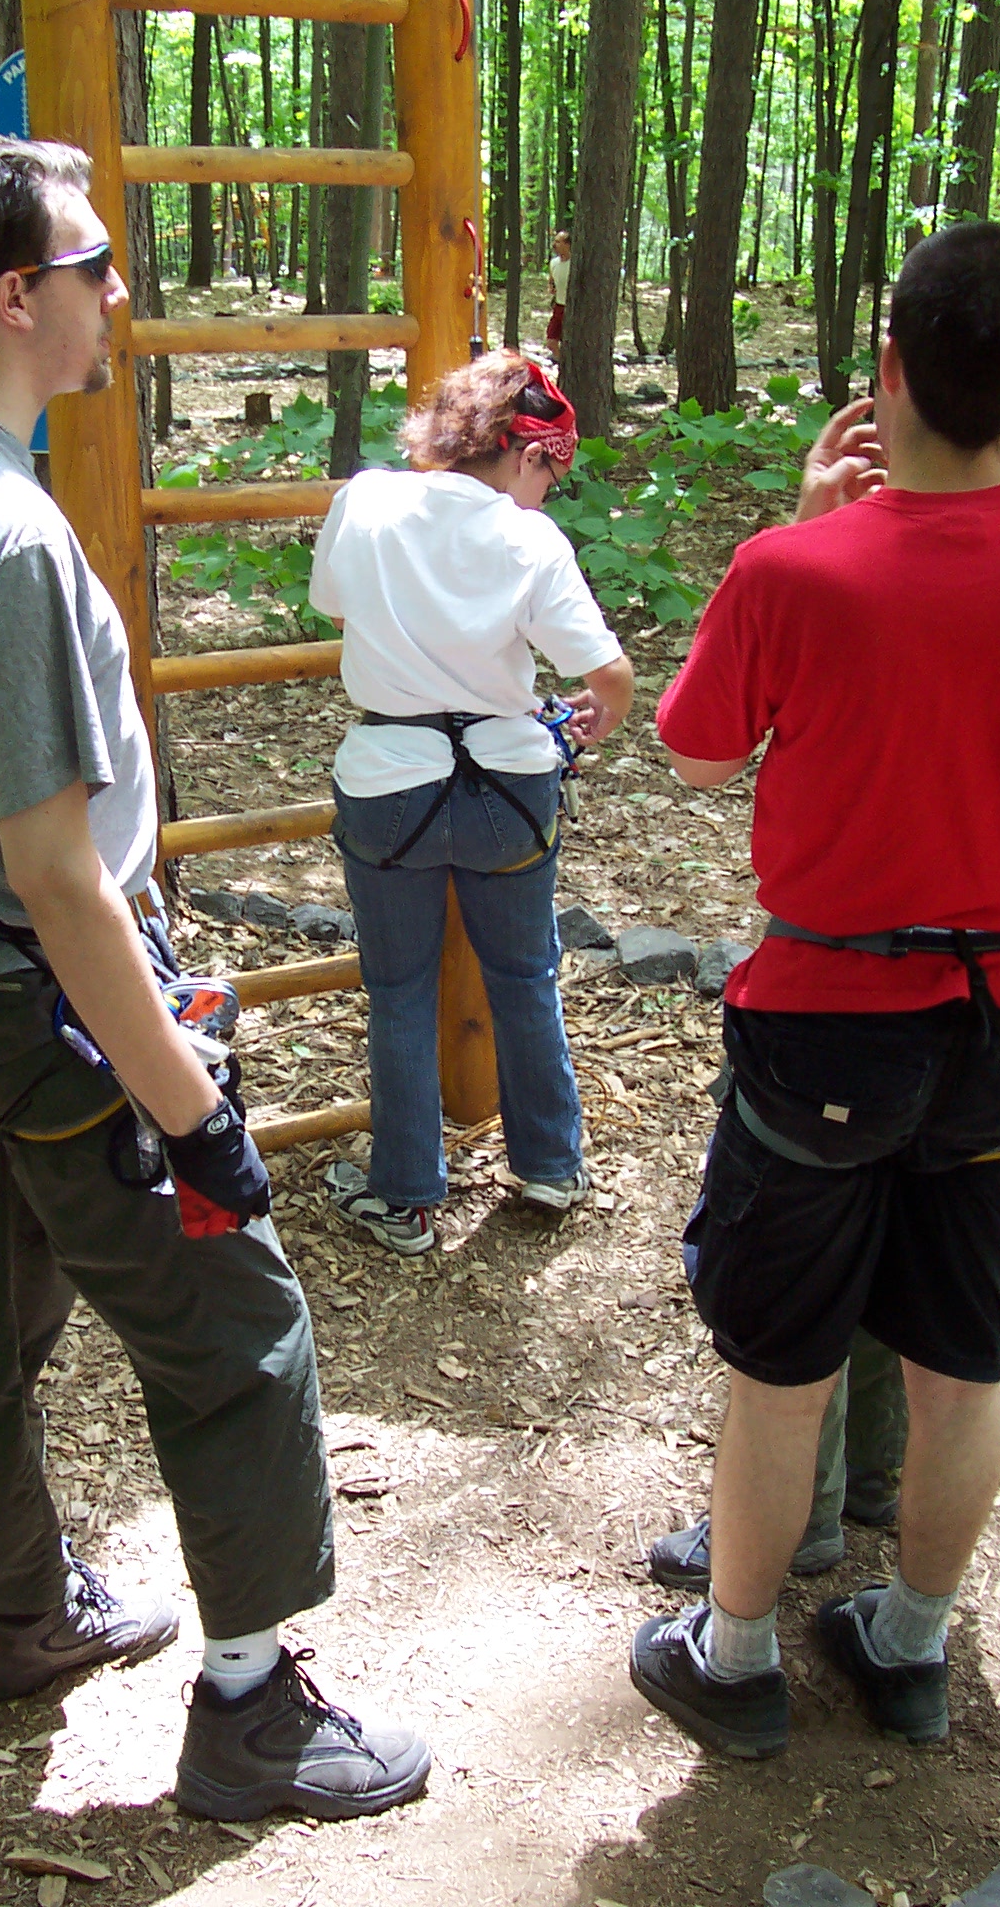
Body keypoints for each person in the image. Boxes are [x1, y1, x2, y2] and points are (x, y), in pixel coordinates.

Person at [0, 133, 430, 1823]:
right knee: (241, 1325)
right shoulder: (3, 534)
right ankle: (252, 1711)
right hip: (28, 991)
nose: (118, 292)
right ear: (17, 296)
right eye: (94, 266)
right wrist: (191, 1112)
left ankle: (22, 1612)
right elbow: (63, 884)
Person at [627, 222, 1000, 1761]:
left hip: (822, 1030)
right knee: (963, 1369)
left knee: (781, 1379)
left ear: (891, 369)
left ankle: (736, 1659)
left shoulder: (793, 572)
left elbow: (698, 754)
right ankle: (910, 1647)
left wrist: (795, 537)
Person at [308, 351, 634, 1256]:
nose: (545, 495)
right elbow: (609, 676)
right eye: (548, 475)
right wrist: (594, 720)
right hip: (509, 793)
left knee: (398, 991)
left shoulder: (366, 502)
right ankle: (551, 1165)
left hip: (388, 785)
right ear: (525, 454)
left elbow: (336, 608)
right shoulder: (530, 541)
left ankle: (406, 1195)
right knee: (525, 977)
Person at [546, 231, 572, 363]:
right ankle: (563, 363)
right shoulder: (554, 263)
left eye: (558, 242)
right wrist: (551, 286)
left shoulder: (574, 264)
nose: (554, 245)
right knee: (551, 341)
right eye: (554, 241)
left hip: (573, 309)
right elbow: (551, 280)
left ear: (567, 245)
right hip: (559, 306)